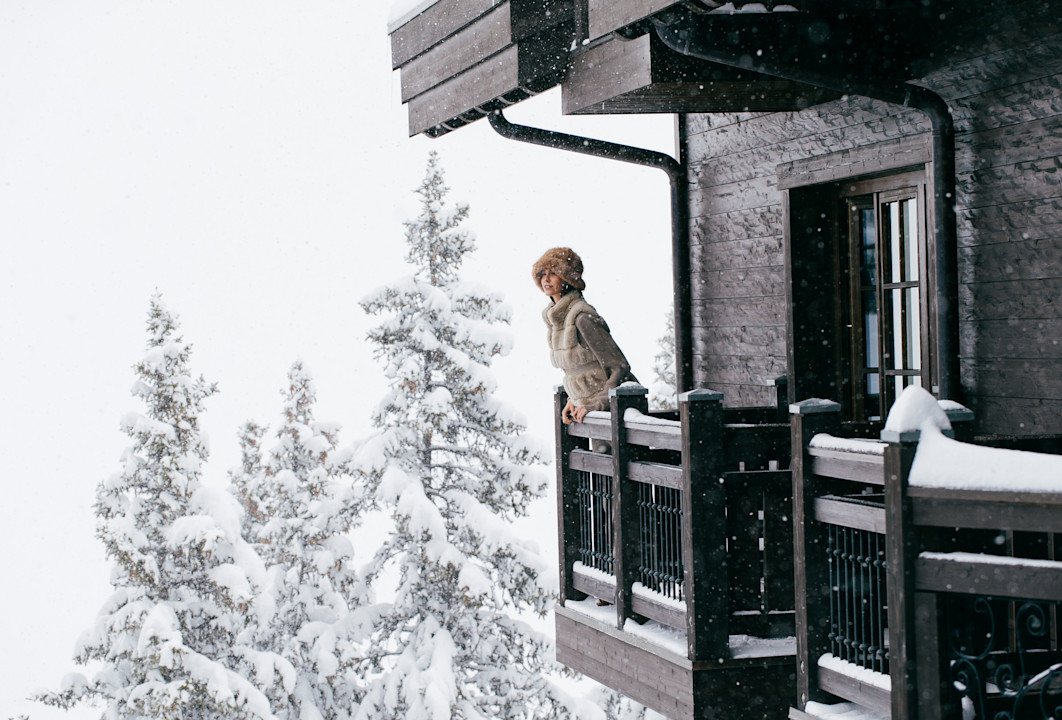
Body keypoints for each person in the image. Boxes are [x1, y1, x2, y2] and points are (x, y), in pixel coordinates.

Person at [532, 247, 638, 425]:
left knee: (608, 453)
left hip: (615, 413)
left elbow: (619, 368)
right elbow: (582, 368)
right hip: (591, 412)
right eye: (543, 274)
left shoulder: (582, 319)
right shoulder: (557, 320)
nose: (546, 279)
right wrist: (573, 399)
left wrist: (598, 404)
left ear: (567, 279)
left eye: (553, 273)